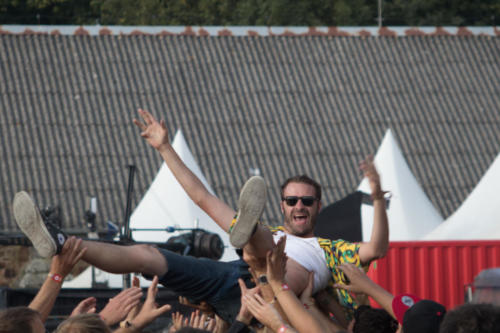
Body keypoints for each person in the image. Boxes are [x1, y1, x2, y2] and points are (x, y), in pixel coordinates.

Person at [12, 109, 389, 324]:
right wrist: (164, 148)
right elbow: (201, 196)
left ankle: (248, 239)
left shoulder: (334, 248)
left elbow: (378, 247)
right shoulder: (278, 232)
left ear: (319, 206)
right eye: (292, 200)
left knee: (270, 257)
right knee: (146, 254)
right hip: (230, 280)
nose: (299, 206)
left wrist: (376, 198)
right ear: (282, 206)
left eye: (307, 200)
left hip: (276, 292)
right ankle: (60, 241)